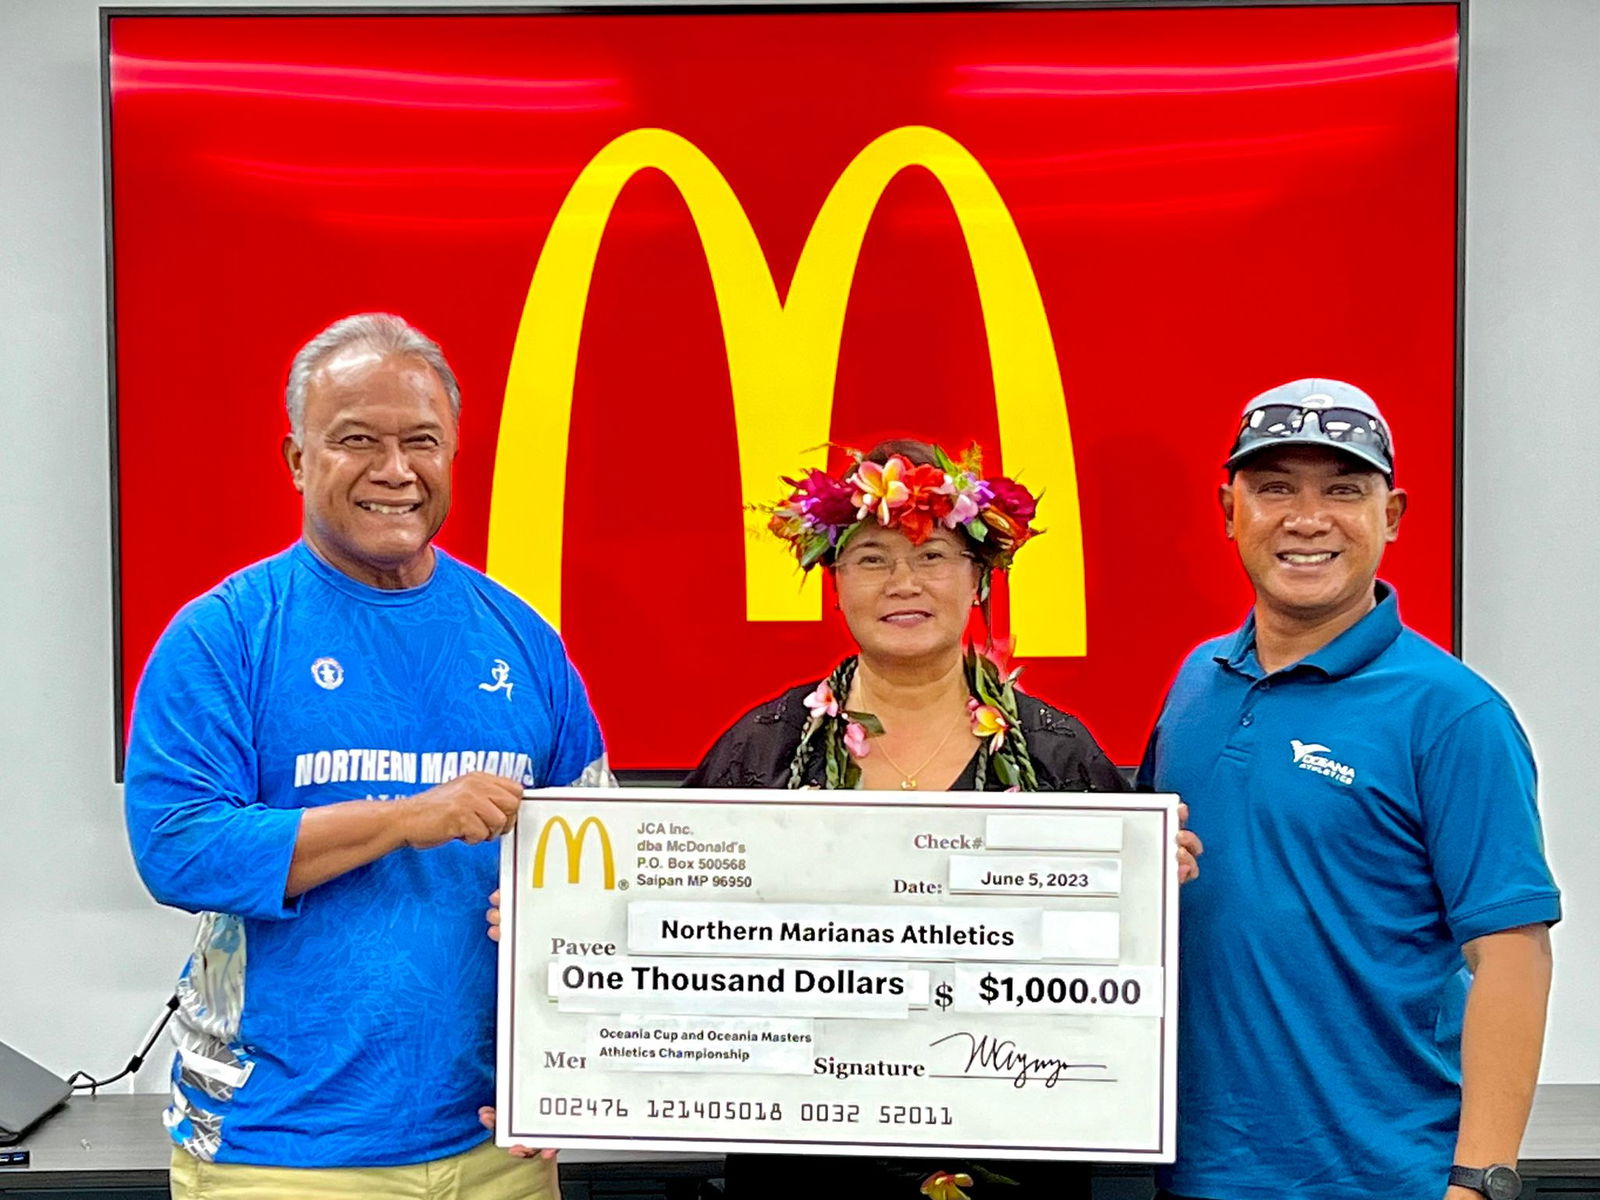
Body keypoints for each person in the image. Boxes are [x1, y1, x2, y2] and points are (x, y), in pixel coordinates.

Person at [124, 314, 605, 1199]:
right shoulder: (225, 635)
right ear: (297, 460)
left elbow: (605, 870)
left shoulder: (521, 637)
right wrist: (409, 818)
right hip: (280, 1151)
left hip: (497, 1146)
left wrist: (568, 1076)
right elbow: (179, 848)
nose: (395, 470)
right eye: (356, 441)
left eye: (421, 442)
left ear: (453, 454)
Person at [689, 439, 1199, 1197]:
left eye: (933, 557)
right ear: (834, 583)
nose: (904, 583)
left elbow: (1122, 975)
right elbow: (664, 922)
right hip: (802, 1169)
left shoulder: (1058, 757)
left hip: (1014, 1163)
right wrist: (568, 916)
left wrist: (1156, 883)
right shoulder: (758, 750)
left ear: (981, 578)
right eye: (872, 558)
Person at [1138, 379, 1561, 1200]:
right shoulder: (1196, 683)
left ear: (1392, 515)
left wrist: (1480, 1180)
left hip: (1383, 1176)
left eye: (1343, 490)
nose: (1306, 519)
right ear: (1228, 511)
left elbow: (1510, 954)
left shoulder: (1453, 714)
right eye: (1274, 489)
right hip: (1192, 1171)